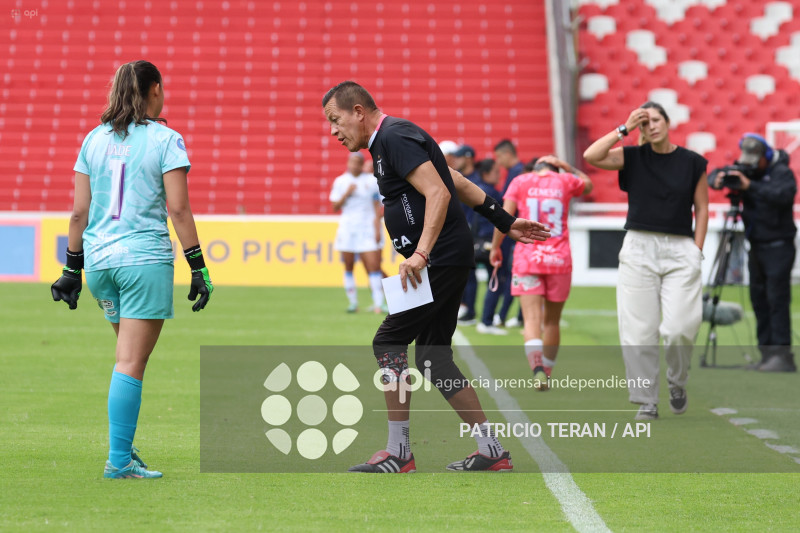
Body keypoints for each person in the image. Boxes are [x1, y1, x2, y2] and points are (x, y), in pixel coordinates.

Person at [321, 81, 549, 473]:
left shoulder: (392, 136)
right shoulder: (388, 142)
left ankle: (399, 452)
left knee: (389, 340)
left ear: (358, 111)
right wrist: (504, 221)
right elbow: (454, 181)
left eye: (335, 119)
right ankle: (492, 451)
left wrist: (421, 252)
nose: (333, 131)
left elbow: (439, 194)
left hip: (439, 257)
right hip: (441, 256)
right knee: (432, 359)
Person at [50, 60, 213, 479]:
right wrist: (199, 267)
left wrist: (71, 270)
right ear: (154, 90)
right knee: (130, 363)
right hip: (143, 261)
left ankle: (125, 447)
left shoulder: (93, 139)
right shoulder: (166, 139)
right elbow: (178, 208)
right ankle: (118, 460)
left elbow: (78, 213)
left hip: (100, 264)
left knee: (125, 356)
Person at [583, 101, 708, 421]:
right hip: (639, 247)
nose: (651, 126)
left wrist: (697, 248)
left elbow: (702, 208)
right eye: (645, 123)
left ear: (667, 122)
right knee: (638, 331)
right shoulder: (633, 157)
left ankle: (677, 382)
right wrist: (623, 128)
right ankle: (647, 399)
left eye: (656, 120)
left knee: (681, 328)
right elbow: (591, 156)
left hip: (681, 249)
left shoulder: (692, 161)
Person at [490, 156, 592, 388]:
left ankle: (536, 369)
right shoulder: (565, 180)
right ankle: (547, 370)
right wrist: (569, 166)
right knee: (552, 322)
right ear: (556, 168)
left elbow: (504, 219)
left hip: (528, 258)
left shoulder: (520, 181)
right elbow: (588, 184)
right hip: (559, 259)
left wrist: (495, 247)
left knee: (531, 318)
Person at [710, 133, 797, 372]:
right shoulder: (746, 170)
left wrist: (751, 187)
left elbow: (783, 196)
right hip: (755, 246)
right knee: (759, 300)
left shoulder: (781, 173)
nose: (749, 165)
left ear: (765, 156)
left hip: (779, 246)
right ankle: (767, 355)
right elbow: (715, 174)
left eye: (754, 160)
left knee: (776, 300)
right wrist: (717, 179)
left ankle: (782, 355)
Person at [329, 152, 386, 313]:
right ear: (348, 163)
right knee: (348, 266)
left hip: (367, 228)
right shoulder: (341, 181)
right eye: (352, 162)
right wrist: (346, 193)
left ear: (362, 164)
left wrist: (377, 228)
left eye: (357, 162)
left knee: (374, 266)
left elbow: (378, 206)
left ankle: (378, 303)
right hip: (347, 229)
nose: (354, 165)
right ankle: (353, 302)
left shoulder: (371, 181)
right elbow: (334, 207)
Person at [472, 158, 511, 336]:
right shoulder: (490, 194)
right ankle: (486, 321)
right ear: (487, 173)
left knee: (491, 280)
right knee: (497, 281)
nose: (499, 174)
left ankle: (482, 317)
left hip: (478, 242)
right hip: (489, 242)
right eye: (496, 171)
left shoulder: (477, 189)